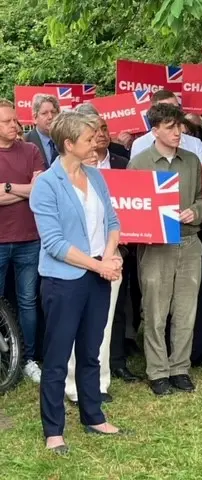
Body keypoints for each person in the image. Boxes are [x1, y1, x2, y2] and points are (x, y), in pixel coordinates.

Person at [30, 111, 124, 454]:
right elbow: (54, 243)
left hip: (98, 276)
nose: (95, 143)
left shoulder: (97, 177)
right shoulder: (46, 184)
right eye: (88, 139)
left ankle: (93, 415)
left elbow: (113, 221)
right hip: (64, 282)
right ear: (68, 144)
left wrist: (110, 256)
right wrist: (99, 266)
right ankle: (54, 429)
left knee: (91, 351)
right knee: (56, 357)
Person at [129, 103, 202, 396]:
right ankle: (158, 371)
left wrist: (195, 212)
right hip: (155, 247)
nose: (178, 132)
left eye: (180, 126)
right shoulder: (139, 163)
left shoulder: (192, 161)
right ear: (155, 129)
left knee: (186, 310)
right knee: (155, 311)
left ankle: (180, 368)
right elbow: (131, 207)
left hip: (189, 242)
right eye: (171, 127)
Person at [0, 98, 45, 383]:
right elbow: (31, 190)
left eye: (15, 120)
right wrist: (25, 190)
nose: (14, 125)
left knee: (28, 301)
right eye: (6, 121)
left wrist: (6, 188)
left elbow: (39, 192)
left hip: (30, 239)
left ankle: (28, 359)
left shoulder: (31, 150)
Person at [129, 90, 202, 163]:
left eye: (176, 108)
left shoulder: (196, 144)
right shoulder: (139, 144)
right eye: (166, 109)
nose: (173, 113)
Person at [25, 94, 61, 169]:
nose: (50, 117)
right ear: (35, 118)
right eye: (44, 113)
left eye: (53, 112)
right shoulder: (25, 141)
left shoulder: (65, 140)